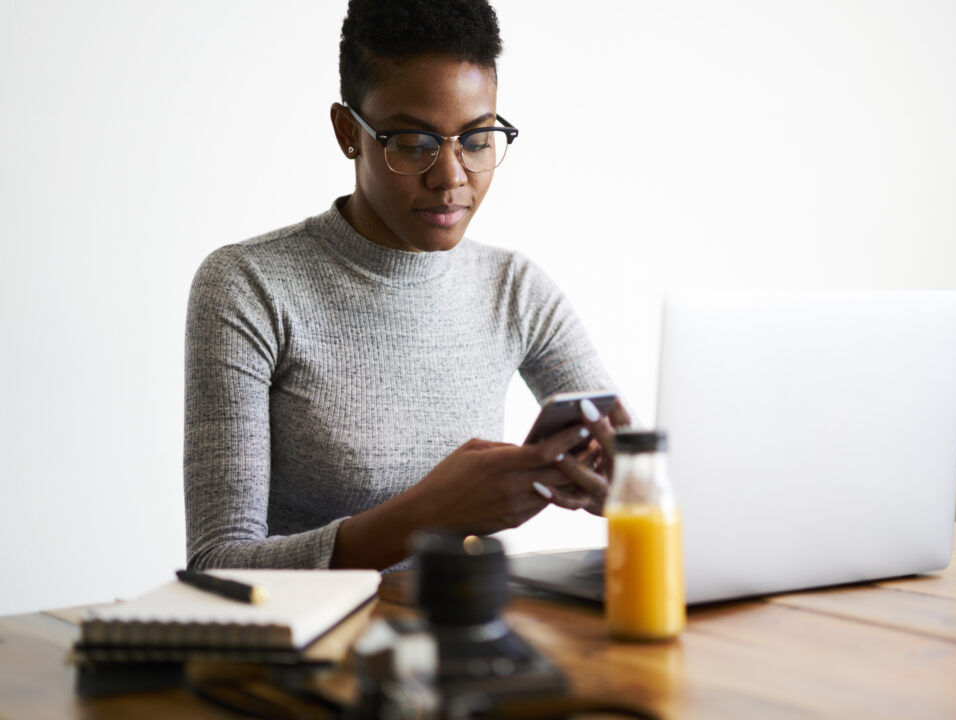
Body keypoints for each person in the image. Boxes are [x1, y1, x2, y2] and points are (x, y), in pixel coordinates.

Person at [184, 0, 628, 572]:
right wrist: (426, 517)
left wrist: (622, 485)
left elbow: (630, 463)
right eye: (414, 143)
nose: (450, 178)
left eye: (476, 139)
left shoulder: (514, 289)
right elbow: (218, 565)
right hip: (315, 650)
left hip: (463, 637)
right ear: (349, 132)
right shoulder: (250, 287)